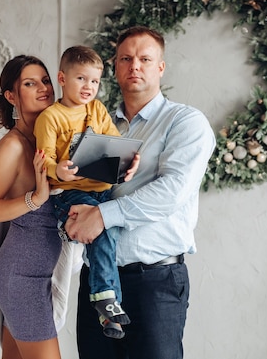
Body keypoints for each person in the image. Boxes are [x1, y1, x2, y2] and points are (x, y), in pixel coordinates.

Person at [66, 26, 216, 359]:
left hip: (155, 283)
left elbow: (172, 190)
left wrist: (102, 217)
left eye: (145, 59)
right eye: (126, 59)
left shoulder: (185, 122)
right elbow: (79, 186)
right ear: (115, 67)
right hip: (97, 283)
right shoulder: (93, 123)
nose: (135, 66)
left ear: (160, 67)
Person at [34, 45, 139, 340]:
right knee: (102, 229)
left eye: (94, 81)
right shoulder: (51, 117)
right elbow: (44, 162)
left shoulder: (97, 109)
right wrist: (59, 171)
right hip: (69, 193)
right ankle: (106, 301)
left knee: (110, 234)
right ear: (62, 78)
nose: (88, 87)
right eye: (81, 79)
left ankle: (108, 307)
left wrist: (130, 163)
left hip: (102, 191)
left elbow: (117, 146)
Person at [0, 55, 74, 359]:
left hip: (40, 275)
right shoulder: (13, 146)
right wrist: (36, 200)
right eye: (30, 83)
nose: (43, 88)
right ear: (11, 96)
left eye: (45, 80)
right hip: (21, 279)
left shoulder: (50, 141)